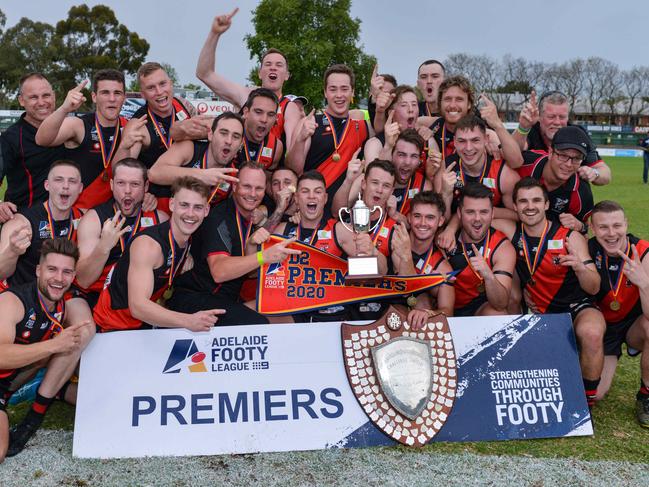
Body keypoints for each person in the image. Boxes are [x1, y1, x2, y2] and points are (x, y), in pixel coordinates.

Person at [494, 177, 605, 407]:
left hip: (577, 306)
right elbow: (483, 214)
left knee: (592, 333)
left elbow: (594, 286)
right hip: (540, 312)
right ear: (514, 207)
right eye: (523, 201)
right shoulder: (512, 232)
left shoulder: (569, 236)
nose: (530, 206)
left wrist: (580, 267)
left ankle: (586, 403)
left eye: (536, 200)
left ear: (546, 204)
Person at [166, 163, 300, 326]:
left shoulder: (252, 217)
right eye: (246, 186)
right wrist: (263, 256)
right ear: (235, 186)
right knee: (257, 323)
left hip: (224, 300)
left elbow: (249, 271)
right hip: (194, 299)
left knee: (288, 318)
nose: (252, 194)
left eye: (258, 188)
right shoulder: (219, 218)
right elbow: (219, 271)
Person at [0, 238, 95, 459]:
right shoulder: (12, 302)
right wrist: (53, 345)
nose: (59, 279)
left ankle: (35, 412)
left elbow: (83, 326)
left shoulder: (63, 302)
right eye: (52, 270)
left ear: (73, 276)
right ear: (38, 270)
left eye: (66, 272)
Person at [93, 177, 220, 332]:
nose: (190, 214)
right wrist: (189, 321)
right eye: (184, 205)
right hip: (112, 326)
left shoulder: (185, 239)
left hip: (143, 325)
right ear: (172, 205)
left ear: (206, 211)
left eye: (198, 207)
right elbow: (138, 306)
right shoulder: (148, 245)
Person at [196, 8, 302, 148]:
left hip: (269, 166)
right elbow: (205, 74)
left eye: (279, 65)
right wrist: (215, 33)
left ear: (287, 75)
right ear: (259, 73)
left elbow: (293, 148)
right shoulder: (246, 95)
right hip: (238, 164)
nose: (273, 68)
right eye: (268, 64)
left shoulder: (290, 107)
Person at [73, 158, 168, 308]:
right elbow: (84, 280)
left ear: (146, 186)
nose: (127, 190)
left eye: (135, 184)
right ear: (111, 185)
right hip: (98, 299)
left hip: (140, 300)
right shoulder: (94, 220)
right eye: (121, 183)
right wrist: (103, 247)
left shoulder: (159, 219)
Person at [588, 200, 649, 425]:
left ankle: (646, 394)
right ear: (593, 228)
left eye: (617, 225)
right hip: (605, 327)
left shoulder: (643, 252)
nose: (611, 233)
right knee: (599, 393)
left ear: (627, 224)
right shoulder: (589, 250)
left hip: (635, 324)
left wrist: (643, 283)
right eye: (603, 227)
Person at [35, 69, 127, 209]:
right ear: (94, 97)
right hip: (79, 213)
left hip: (115, 212)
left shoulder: (129, 128)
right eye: (105, 93)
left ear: (124, 98)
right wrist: (64, 109)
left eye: (117, 93)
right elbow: (42, 139)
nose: (112, 99)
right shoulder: (79, 125)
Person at [116, 62, 199, 211]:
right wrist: (142, 192)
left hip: (190, 193)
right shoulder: (139, 124)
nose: (159, 91)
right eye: (151, 88)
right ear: (143, 94)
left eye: (162, 84)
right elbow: (123, 169)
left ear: (171, 84)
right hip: (159, 201)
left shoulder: (184, 105)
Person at [286, 64, 370, 205]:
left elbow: (383, 128)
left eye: (344, 89)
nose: (339, 95)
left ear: (352, 92)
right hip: (311, 206)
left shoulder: (361, 127)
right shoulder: (310, 122)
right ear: (325, 92)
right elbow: (292, 169)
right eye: (333, 89)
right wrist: (300, 139)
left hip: (343, 210)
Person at [435, 114, 521, 250]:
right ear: (455, 142)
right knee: (440, 238)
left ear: (486, 140)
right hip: (457, 234)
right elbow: (440, 221)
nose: (468, 148)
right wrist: (445, 194)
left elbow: (519, 214)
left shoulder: (504, 174)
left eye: (475, 140)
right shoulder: (446, 168)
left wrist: (486, 213)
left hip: (489, 230)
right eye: (462, 141)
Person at [275, 171, 348, 322]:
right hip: (293, 314)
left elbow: (379, 269)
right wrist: (279, 210)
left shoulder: (339, 230)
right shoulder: (283, 230)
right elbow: (255, 268)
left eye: (318, 191)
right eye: (305, 191)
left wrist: (369, 250)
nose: (312, 196)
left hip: (331, 316)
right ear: (296, 198)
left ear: (325, 198)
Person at [0, 160, 83, 288]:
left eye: (72, 181)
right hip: (23, 295)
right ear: (47, 185)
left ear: (80, 188)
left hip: (62, 294)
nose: (65, 186)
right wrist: (12, 251)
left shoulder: (85, 219)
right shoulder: (21, 223)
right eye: (58, 180)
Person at [0, 73, 64, 222]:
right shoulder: (11, 137)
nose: (41, 102)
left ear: (54, 96)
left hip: (65, 224)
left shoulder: (69, 130)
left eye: (46, 95)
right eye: (34, 97)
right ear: (22, 100)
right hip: (25, 224)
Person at [445, 183, 516, 317]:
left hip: (479, 308)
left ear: (492, 213)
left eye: (484, 212)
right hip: (445, 307)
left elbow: (501, 304)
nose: (477, 218)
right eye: (470, 212)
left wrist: (488, 275)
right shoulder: (445, 239)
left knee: (496, 314)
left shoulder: (502, 247)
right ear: (459, 213)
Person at [148, 111, 244, 209]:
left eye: (236, 136)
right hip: (166, 216)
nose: (229, 141)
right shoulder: (189, 147)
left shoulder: (236, 172)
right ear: (210, 135)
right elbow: (154, 172)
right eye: (223, 133)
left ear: (240, 144)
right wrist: (201, 175)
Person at [513, 90, 611, 185]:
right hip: (531, 195)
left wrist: (594, 173)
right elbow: (512, 153)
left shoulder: (577, 135)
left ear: (568, 118)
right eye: (551, 116)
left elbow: (605, 173)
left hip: (565, 196)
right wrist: (523, 128)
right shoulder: (530, 130)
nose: (557, 122)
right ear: (540, 116)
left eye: (562, 117)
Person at [515, 126, 594, 233]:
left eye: (576, 158)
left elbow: (585, 228)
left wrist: (580, 226)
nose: (569, 164)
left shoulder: (582, 191)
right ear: (551, 152)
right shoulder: (524, 163)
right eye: (563, 155)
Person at [404, 191, 455, 329]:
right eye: (417, 216)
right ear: (409, 218)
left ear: (441, 221)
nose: (422, 223)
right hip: (380, 311)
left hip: (413, 324)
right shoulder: (392, 242)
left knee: (423, 304)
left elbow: (447, 311)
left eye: (430, 217)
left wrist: (428, 313)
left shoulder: (442, 268)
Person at [235, 88, 283, 170]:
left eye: (271, 114)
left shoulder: (276, 147)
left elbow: (267, 179)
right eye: (258, 112)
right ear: (246, 112)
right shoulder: (228, 134)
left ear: (275, 117)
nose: (264, 119)